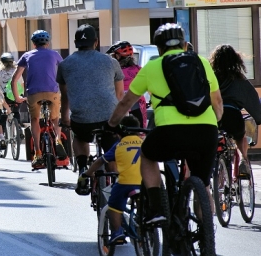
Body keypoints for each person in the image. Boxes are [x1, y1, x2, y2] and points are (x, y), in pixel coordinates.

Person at [107, 23, 222, 224]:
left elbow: (126, 102)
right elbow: (218, 103)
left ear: (159, 48)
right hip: (206, 132)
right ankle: (206, 236)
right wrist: (214, 123)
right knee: (203, 185)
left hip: (170, 132)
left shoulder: (152, 67)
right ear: (185, 44)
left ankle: (157, 208)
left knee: (147, 155)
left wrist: (111, 124)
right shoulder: (202, 63)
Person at [56, 24, 124, 177]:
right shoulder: (111, 61)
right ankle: (113, 175)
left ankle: (82, 169)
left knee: (80, 137)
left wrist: (65, 118)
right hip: (109, 117)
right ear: (96, 42)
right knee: (111, 144)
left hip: (82, 118)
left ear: (75, 43)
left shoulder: (64, 64)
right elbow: (120, 94)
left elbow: (65, 95)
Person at [76, 115, 144, 244]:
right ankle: (144, 221)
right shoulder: (144, 143)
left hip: (126, 183)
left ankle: (117, 232)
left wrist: (87, 174)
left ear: (119, 133)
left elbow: (100, 161)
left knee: (113, 206)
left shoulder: (119, 145)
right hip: (144, 182)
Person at [11, 30, 64, 169]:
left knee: (34, 120)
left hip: (33, 93)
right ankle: (58, 141)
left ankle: (38, 152)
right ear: (48, 42)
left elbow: (15, 79)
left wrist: (17, 97)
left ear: (33, 44)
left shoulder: (27, 55)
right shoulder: (55, 54)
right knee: (55, 119)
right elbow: (65, 71)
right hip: (52, 92)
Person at [209, 44, 261, 167]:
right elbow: (252, 100)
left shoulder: (211, 78)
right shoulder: (239, 79)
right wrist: (258, 118)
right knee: (240, 136)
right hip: (233, 116)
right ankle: (244, 159)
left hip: (213, 117)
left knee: (212, 140)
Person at [107, 41, 147, 128]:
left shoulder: (113, 72)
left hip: (119, 110)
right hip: (138, 108)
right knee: (140, 136)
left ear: (117, 56)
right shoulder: (139, 69)